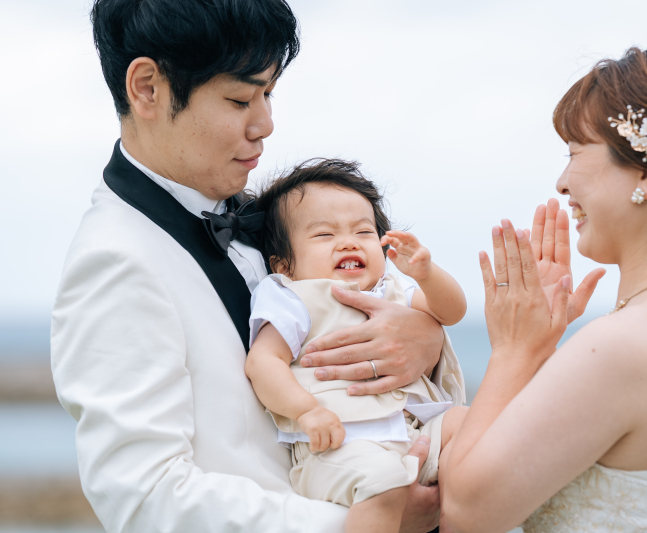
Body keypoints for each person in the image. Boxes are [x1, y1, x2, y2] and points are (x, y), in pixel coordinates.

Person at [50, 1, 449, 531]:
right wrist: (362, 521)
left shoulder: (276, 215)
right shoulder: (114, 262)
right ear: (147, 88)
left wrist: (423, 336)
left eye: (268, 94)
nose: (265, 124)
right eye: (240, 98)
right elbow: (145, 497)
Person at [441, 45, 647, 533]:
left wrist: (516, 350)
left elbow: (463, 514)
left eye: (575, 153)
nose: (561, 182)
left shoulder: (625, 345)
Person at [246, 159, 469, 532]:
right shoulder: (292, 295)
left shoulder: (394, 290)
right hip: (340, 445)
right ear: (284, 265)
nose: (349, 242)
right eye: (324, 235)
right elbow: (264, 361)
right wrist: (306, 412)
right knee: (383, 482)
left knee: (475, 423)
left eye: (364, 232)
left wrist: (427, 276)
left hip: (416, 431)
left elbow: (452, 312)